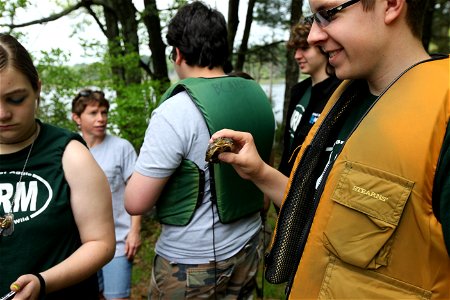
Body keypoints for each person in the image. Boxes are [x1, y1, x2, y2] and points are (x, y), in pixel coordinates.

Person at [210, 0, 450, 298]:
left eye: (328, 14)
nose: (312, 36)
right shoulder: (342, 103)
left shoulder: (444, 116)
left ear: (390, 5)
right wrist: (259, 171)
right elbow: (320, 215)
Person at [124, 1, 275, 299]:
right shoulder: (256, 96)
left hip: (191, 261)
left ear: (178, 53)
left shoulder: (175, 111)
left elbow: (136, 202)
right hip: (249, 242)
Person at [0, 33, 115, 299]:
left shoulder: (69, 154)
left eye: (16, 99)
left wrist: (42, 282)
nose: (3, 114)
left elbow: (101, 243)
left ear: (37, 89)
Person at [71, 90, 141, 300]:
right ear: (77, 117)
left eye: (104, 112)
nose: (101, 119)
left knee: (117, 297)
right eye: (93, 113)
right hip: (80, 246)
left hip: (118, 242)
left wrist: (135, 231)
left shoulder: (121, 147)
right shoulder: (70, 149)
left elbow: (134, 191)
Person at [278, 21, 341, 178]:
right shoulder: (298, 91)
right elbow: (289, 144)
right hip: (283, 186)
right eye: (296, 50)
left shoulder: (340, 93)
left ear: (323, 47)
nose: (297, 56)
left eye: (304, 48)